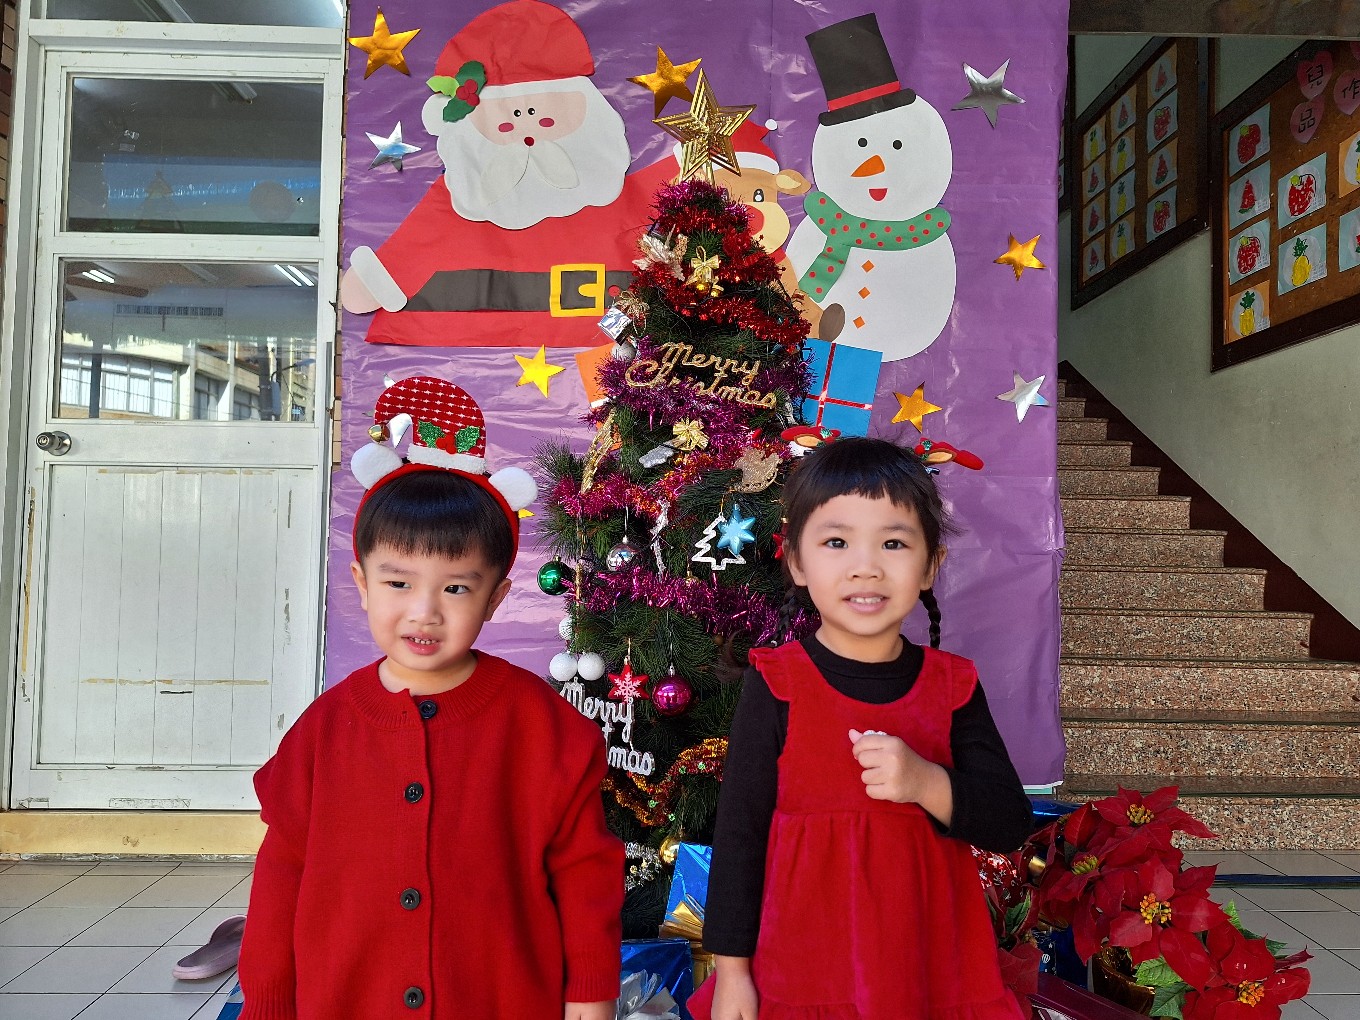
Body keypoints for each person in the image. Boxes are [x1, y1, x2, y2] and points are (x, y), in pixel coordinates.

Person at [238, 376, 622, 1020]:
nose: (424, 612)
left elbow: (585, 869)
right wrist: (269, 1002)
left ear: (496, 598)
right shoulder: (324, 729)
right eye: (398, 583)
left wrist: (589, 987)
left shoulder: (540, 724)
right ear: (362, 582)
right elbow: (282, 873)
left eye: (456, 588)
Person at [693, 436, 1034, 1020]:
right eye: (836, 542)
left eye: (894, 543)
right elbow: (740, 838)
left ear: (930, 565)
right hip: (805, 970)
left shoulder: (952, 685)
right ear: (797, 562)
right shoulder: (776, 683)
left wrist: (925, 782)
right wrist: (732, 974)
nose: (866, 566)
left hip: (928, 971)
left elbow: (1008, 822)